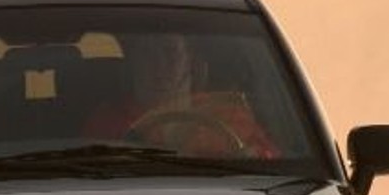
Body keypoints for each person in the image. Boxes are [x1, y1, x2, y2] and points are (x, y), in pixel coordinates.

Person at [84, 32, 276, 156]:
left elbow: (270, 165)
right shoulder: (108, 122)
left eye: (170, 53)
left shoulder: (230, 116)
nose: (159, 65)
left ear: (191, 65)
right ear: (132, 65)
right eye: (147, 54)